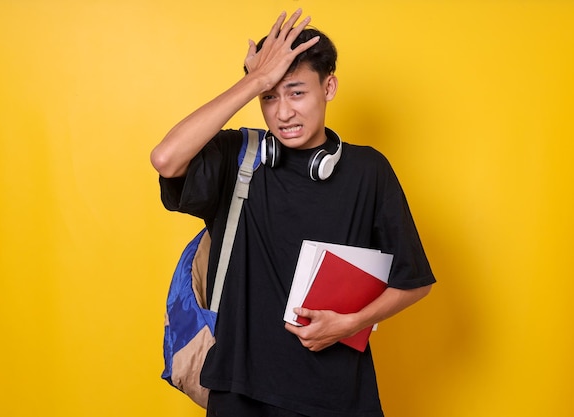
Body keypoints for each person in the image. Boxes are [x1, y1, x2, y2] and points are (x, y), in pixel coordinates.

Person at [151, 9, 436, 417]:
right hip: (239, 395)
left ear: (329, 86)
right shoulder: (239, 157)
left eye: (297, 92)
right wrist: (255, 81)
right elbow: (166, 158)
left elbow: (415, 281)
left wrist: (352, 323)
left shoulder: (369, 171)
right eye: (270, 97)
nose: (282, 112)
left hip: (337, 398)